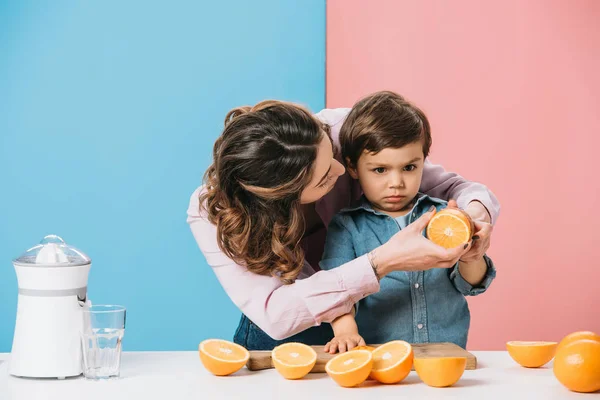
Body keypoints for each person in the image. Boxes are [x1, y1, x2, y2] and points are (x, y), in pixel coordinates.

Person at [186, 98, 499, 350]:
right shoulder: (214, 214)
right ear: (285, 199)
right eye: (324, 178)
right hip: (293, 331)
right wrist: (384, 260)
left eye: (331, 154)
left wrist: (473, 221)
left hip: (367, 328)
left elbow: (457, 189)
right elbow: (276, 315)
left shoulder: (345, 133)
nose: (339, 170)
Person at [320, 91, 496, 353]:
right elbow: (339, 288)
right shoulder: (346, 227)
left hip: (445, 355)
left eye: (409, 168)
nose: (396, 183)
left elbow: (471, 285)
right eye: (380, 170)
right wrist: (346, 332)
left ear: (423, 162)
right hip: (382, 358)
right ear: (353, 167)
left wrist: (472, 258)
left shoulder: (444, 217)